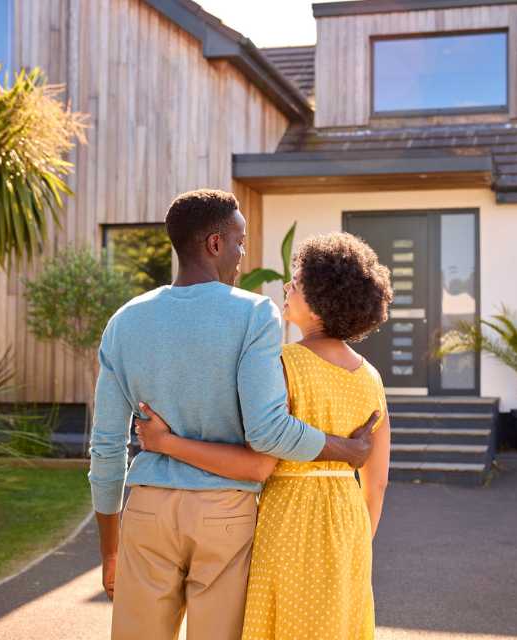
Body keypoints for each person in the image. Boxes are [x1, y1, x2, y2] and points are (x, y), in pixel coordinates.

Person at [88, 190, 379, 640]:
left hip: (146, 511)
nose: (244, 255)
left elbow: (106, 447)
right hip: (225, 512)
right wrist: (348, 449)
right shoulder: (253, 313)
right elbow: (266, 430)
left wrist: (110, 548)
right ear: (215, 244)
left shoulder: (125, 321)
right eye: (240, 242)